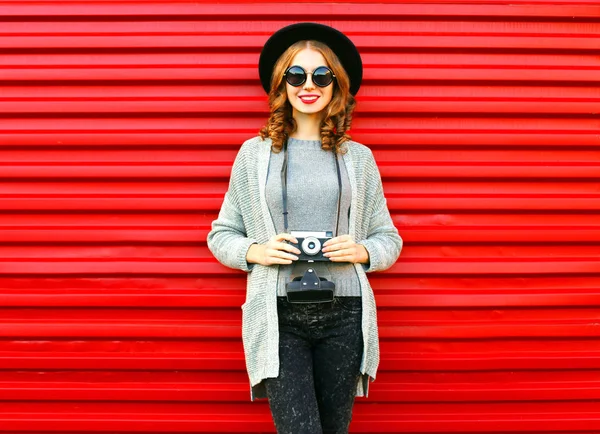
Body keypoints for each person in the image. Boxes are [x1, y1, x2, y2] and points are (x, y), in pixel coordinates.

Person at [207, 22, 403, 434]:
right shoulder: (254, 155)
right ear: (282, 84)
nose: (307, 85)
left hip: (345, 312)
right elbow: (221, 233)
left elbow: (389, 239)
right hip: (277, 313)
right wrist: (255, 252)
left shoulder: (360, 159)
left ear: (337, 85)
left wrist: (362, 251)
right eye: (296, 75)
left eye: (321, 75)